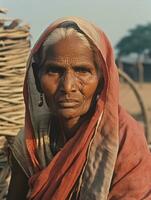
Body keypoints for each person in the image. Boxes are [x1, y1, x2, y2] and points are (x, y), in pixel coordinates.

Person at [7, 17, 151, 200]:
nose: (67, 86)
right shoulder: (31, 142)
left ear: (101, 79)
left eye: (82, 71)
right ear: (36, 77)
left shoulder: (123, 139)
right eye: (54, 70)